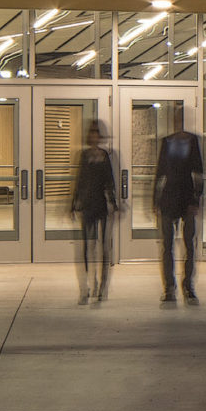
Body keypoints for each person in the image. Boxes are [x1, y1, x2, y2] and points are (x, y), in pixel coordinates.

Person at [154, 119, 205, 303]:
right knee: (167, 246)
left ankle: (188, 285)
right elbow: (160, 172)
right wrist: (155, 200)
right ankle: (169, 287)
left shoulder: (192, 141)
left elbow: (198, 172)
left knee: (189, 245)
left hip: (186, 198)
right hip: (168, 199)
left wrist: (196, 199)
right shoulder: (167, 142)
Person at [70, 119, 120, 302]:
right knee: (87, 246)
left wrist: (113, 202)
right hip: (88, 205)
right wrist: (74, 203)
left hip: (101, 204)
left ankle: (102, 286)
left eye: (96, 133)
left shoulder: (105, 155)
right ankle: (87, 286)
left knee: (104, 247)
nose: (93, 136)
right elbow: (80, 180)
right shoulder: (84, 156)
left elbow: (110, 181)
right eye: (91, 133)